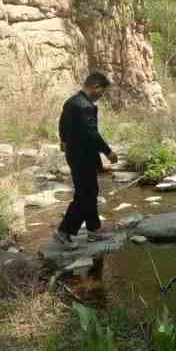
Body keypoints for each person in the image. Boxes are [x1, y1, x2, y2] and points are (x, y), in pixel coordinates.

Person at [55, 71, 119, 246]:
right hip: (84, 156)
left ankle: (94, 229)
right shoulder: (86, 106)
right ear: (95, 86)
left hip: (73, 154)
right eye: (102, 92)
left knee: (90, 192)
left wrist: (63, 140)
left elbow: (61, 124)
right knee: (85, 194)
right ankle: (64, 231)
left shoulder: (71, 101)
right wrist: (108, 152)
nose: (101, 96)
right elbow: (92, 134)